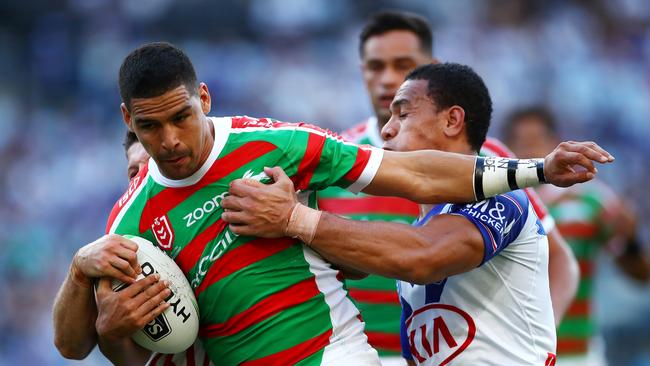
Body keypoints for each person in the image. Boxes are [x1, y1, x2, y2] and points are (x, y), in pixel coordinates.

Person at [103, 42, 608, 365]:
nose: (385, 128)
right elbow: (368, 259)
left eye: (402, 115)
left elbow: (421, 255)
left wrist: (294, 218)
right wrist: (88, 269)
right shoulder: (132, 216)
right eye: (149, 126)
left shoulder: (505, 203)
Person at [318, 13, 578, 363]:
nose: (388, 79)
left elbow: (423, 255)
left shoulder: (489, 167)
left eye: (403, 65)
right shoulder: (336, 163)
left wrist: (536, 343)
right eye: (375, 66)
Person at [503, 106, 650, 366]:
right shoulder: (497, 204)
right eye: (520, 143)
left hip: (577, 354)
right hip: (514, 352)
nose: (528, 151)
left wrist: (630, 242)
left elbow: (640, 274)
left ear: (554, 143)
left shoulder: (591, 201)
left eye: (536, 141)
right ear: (507, 149)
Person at [53, 131, 213, 365]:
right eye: (134, 173)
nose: (143, 179)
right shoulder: (127, 248)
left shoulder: (221, 201)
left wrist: (288, 220)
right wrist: (78, 270)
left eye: (152, 166)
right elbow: (70, 347)